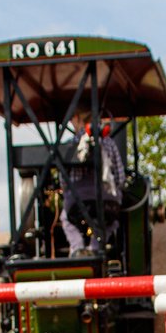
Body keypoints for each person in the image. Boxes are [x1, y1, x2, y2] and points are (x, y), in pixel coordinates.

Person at [60, 107, 125, 256]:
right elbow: (120, 177)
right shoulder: (109, 143)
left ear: (77, 118)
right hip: (107, 201)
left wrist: (66, 193)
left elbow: (63, 179)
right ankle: (95, 248)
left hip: (78, 201)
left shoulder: (71, 144)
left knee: (66, 217)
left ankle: (77, 249)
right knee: (111, 221)